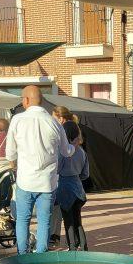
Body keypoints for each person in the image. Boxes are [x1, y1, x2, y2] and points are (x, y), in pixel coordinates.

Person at [6, 85, 76, 254]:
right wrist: (75, 146)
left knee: (23, 219)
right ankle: (40, 255)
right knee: (44, 221)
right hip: (47, 182)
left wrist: (13, 164)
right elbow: (66, 152)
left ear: (26, 100)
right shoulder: (54, 122)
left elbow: (10, 152)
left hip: (25, 180)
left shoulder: (17, 120)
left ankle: (22, 255)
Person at [49, 106, 81, 248]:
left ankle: (55, 237)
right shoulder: (75, 133)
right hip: (74, 184)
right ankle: (61, 238)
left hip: (59, 179)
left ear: (61, 118)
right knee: (70, 216)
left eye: (54, 117)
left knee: (57, 209)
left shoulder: (61, 133)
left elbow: (61, 157)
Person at [57, 120, 90, 251]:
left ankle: (72, 247)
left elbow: (57, 169)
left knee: (68, 221)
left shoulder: (62, 152)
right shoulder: (82, 152)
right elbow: (85, 174)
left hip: (64, 188)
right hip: (78, 188)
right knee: (78, 220)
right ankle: (84, 246)